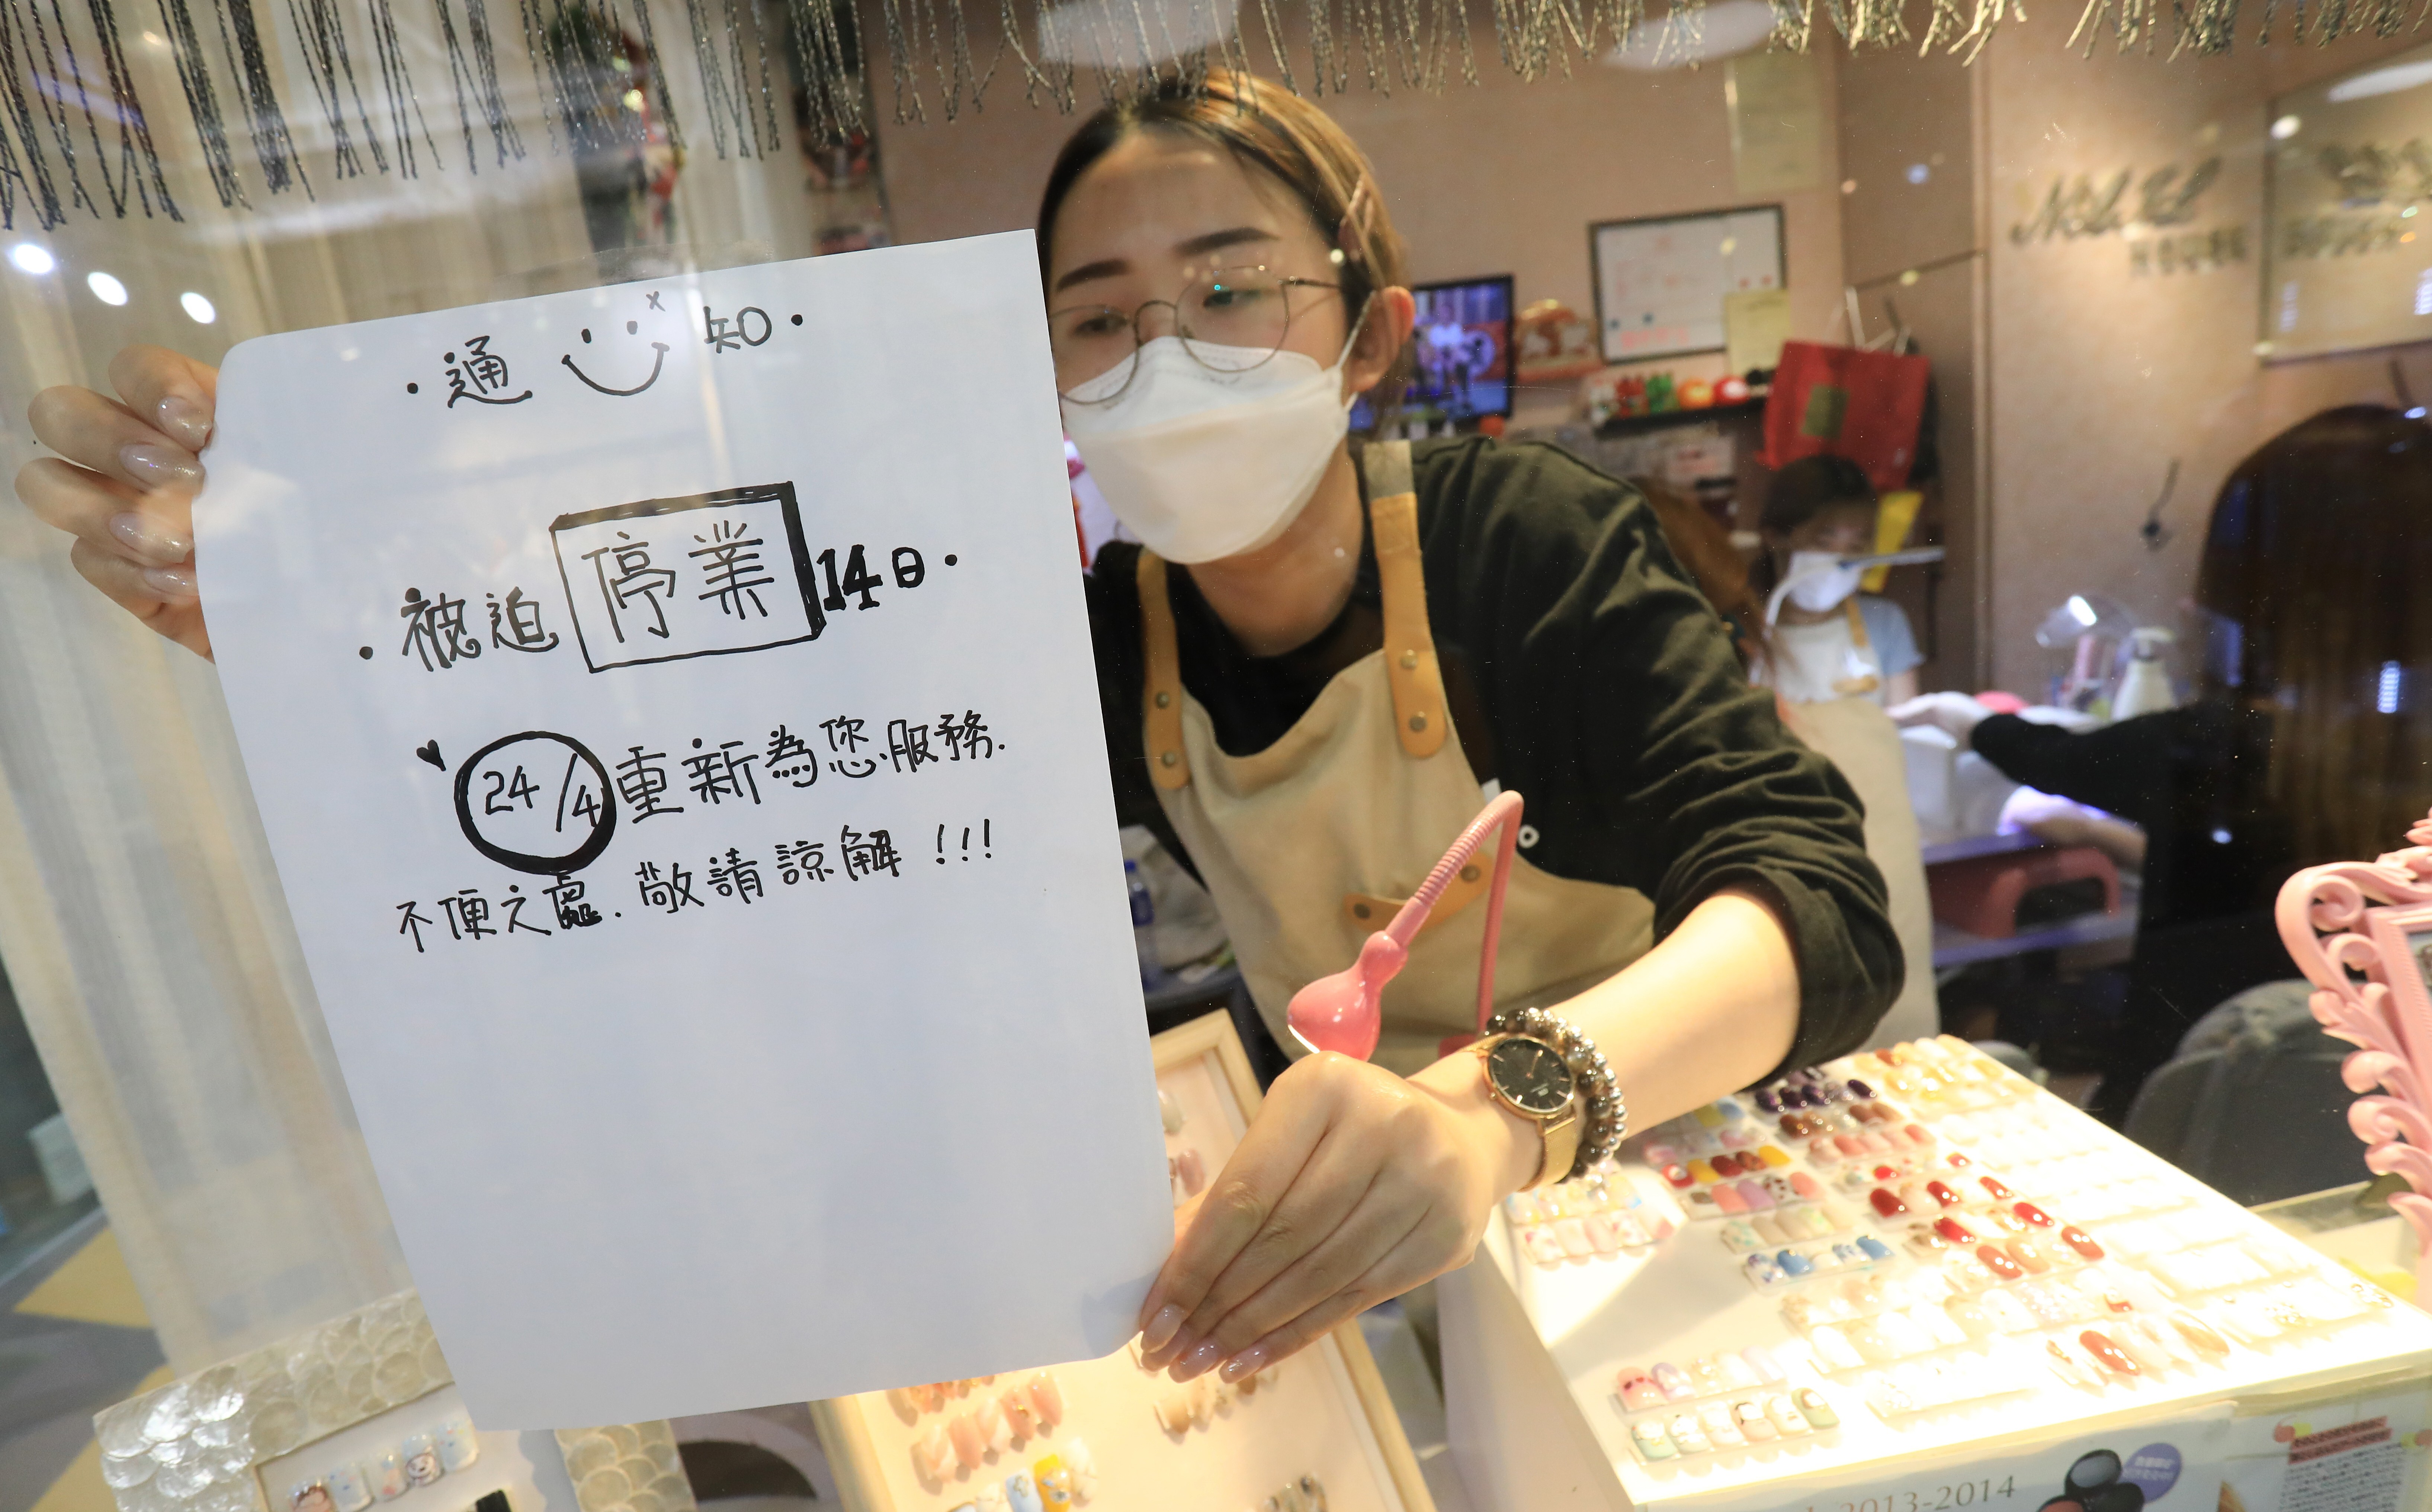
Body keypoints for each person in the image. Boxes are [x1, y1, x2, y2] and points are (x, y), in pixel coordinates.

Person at [19, 71, 1899, 1393]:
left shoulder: (1519, 542)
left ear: (1370, 331)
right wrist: (317, 596)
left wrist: (1506, 1110)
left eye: (1230, 289)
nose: (1161, 352)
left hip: (1670, 1202)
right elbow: (719, 751)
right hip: (1354, 1236)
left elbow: (1815, 902)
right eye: (1100, 317)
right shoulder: (1086, 633)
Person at [1895, 404, 2432, 1127]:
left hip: (2187, 1122)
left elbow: (2051, 758)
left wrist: (1964, 718)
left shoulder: (2213, 746)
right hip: (2377, 1129)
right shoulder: (2385, 755)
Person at [1752, 454, 1922, 707]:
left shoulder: (1885, 623)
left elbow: (1909, 732)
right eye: (1823, 543)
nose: (1839, 560)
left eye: (1855, 547)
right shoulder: (1741, 629)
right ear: (1774, 538)